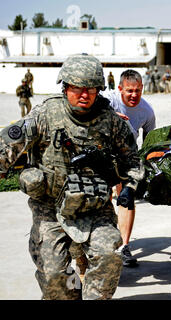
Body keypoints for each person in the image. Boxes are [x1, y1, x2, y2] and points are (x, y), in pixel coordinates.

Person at [0, 54, 144, 299]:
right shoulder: (45, 115)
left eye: (90, 89)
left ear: (99, 89)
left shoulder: (112, 123)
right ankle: (72, 294)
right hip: (50, 207)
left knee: (108, 256)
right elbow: (6, 146)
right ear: (65, 87)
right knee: (54, 275)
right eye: (77, 88)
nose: (84, 95)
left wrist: (129, 187)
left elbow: (132, 161)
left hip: (94, 206)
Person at [102, 69, 156, 267]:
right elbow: (85, 111)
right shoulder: (106, 100)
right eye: (129, 91)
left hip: (126, 155)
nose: (134, 95)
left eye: (138, 91)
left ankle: (124, 246)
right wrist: (109, 115)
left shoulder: (147, 111)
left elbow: (150, 141)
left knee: (127, 196)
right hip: (102, 154)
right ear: (120, 89)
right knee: (101, 197)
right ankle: (101, 240)